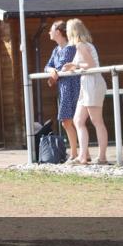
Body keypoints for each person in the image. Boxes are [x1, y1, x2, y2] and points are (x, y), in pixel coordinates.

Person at [62, 19, 108, 164]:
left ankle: (102, 157)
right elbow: (82, 64)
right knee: (78, 120)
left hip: (92, 82)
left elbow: (90, 65)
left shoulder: (82, 45)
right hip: (86, 83)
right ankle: (83, 155)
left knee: (97, 121)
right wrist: (72, 66)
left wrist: (75, 66)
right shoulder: (82, 46)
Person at [44, 20, 80, 161]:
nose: (49, 32)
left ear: (58, 32)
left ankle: (75, 153)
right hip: (63, 89)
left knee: (72, 121)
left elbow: (62, 66)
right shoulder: (56, 50)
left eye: (51, 30)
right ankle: (79, 153)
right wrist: (51, 70)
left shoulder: (70, 48)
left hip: (72, 87)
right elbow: (49, 66)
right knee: (68, 121)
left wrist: (54, 73)